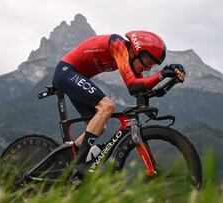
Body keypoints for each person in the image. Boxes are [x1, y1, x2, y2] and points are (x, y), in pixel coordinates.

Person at [52, 30, 186, 182]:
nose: (149, 68)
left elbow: (141, 89)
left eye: (152, 65)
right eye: (149, 62)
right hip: (66, 72)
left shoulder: (128, 58)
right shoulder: (118, 45)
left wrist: (171, 80)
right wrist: (162, 74)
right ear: (137, 52)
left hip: (75, 76)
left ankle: (69, 160)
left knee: (98, 127)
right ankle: (80, 163)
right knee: (107, 107)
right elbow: (132, 85)